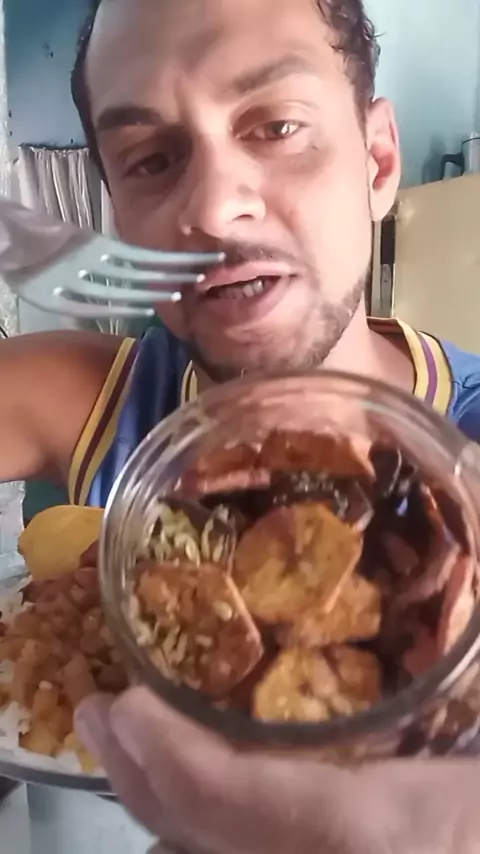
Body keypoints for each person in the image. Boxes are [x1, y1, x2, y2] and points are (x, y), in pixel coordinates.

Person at [2, 0, 480, 849]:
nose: (217, 210)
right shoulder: (96, 396)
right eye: (151, 160)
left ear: (377, 162)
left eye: (278, 126)